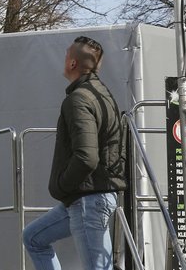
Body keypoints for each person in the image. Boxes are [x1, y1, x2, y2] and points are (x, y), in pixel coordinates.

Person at [23, 36, 127, 270]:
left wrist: (62, 186)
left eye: (66, 55)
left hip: (88, 199)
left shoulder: (78, 99)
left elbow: (86, 157)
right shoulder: (101, 94)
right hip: (86, 197)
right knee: (33, 237)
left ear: (72, 64)